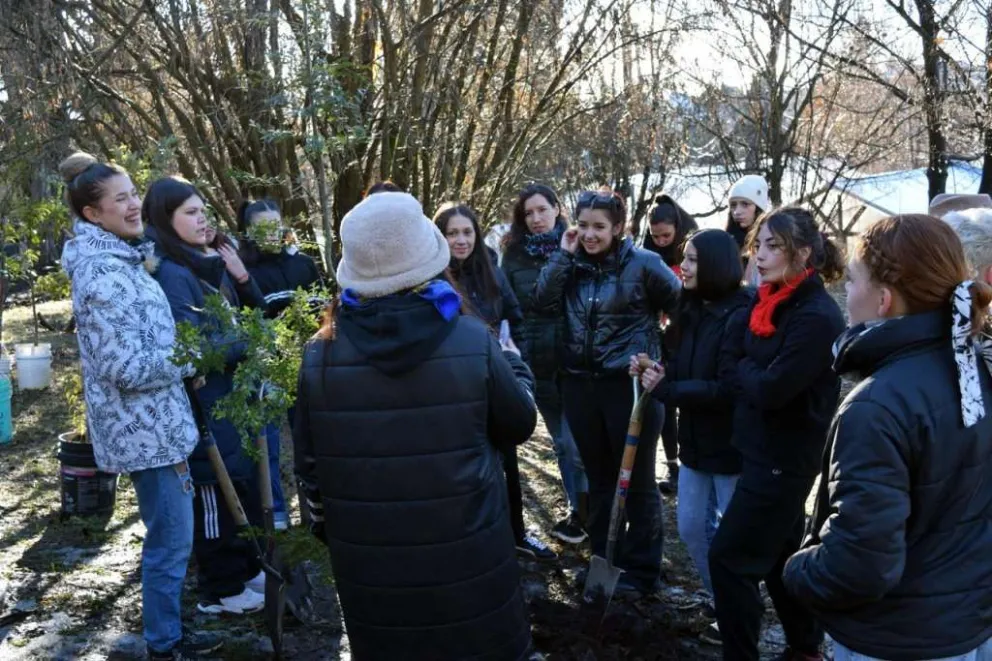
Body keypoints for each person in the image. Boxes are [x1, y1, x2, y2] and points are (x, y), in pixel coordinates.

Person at [294, 191, 539, 660]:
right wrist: (516, 366)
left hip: (371, 566)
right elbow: (519, 423)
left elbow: (308, 468)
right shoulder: (471, 338)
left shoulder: (319, 355)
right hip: (469, 552)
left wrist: (330, 527)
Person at [783, 214, 992, 661]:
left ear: (883, 299)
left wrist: (797, 571)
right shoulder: (977, 368)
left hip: (898, 639)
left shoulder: (878, 406)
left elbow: (861, 564)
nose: (846, 293)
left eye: (852, 280)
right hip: (967, 628)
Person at [59, 153, 222, 659]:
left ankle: (167, 633)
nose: (134, 206)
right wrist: (191, 357)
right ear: (93, 214)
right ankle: (164, 646)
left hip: (160, 423)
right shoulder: (102, 275)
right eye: (121, 200)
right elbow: (125, 368)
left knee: (173, 539)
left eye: (134, 194)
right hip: (144, 431)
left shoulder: (123, 259)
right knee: (170, 542)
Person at [707, 207, 845, 661]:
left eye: (773, 246)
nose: (759, 256)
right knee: (781, 559)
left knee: (729, 561)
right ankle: (806, 649)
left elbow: (771, 389)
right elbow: (730, 360)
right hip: (759, 450)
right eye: (758, 245)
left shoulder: (817, 316)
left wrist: (748, 370)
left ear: (802, 253)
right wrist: (751, 370)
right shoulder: (766, 299)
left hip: (784, 459)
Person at [533, 190, 681, 596]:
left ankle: (644, 571)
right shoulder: (570, 263)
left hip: (629, 388)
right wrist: (563, 255)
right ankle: (604, 558)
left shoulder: (645, 264)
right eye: (582, 225)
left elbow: (683, 310)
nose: (589, 234)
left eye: (599, 227)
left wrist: (662, 361)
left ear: (619, 228)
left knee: (638, 482)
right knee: (598, 479)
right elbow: (542, 301)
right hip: (579, 384)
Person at [143, 176, 267, 617]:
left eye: (203, 211)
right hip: (202, 406)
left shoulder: (201, 263)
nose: (202, 220)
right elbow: (192, 349)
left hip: (227, 398)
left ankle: (246, 568)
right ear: (165, 219)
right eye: (190, 213)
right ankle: (220, 586)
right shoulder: (173, 275)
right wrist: (247, 340)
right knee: (212, 490)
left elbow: (236, 319)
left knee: (238, 482)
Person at [630, 228, 750, 607]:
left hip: (732, 447)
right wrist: (655, 368)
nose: (683, 266)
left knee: (736, 538)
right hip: (695, 443)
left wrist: (667, 389)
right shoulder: (689, 307)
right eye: (685, 257)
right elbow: (680, 367)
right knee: (692, 529)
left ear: (717, 264)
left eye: (693, 260)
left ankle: (738, 608)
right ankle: (721, 599)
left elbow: (728, 388)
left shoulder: (741, 315)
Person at [434, 202, 555, 561]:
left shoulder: (491, 270)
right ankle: (474, 541)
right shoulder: (432, 280)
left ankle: (517, 533)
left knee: (508, 461)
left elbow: (515, 319)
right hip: (458, 387)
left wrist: (517, 360)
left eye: (467, 232)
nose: (461, 240)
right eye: (452, 233)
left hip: (497, 379)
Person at [501, 184, 589, 545]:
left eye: (542, 209)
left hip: (577, 362)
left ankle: (593, 509)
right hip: (539, 364)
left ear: (557, 208)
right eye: (529, 213)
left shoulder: (580, 245)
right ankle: (578, 511)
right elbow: (511, 311)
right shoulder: (513, 255)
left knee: (577, 444)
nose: (536, 218)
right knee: (562, 445)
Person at [237, 199, 323, 530]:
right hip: (267, 368)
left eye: (275, 225)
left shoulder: (303, 263)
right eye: (262, 227)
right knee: (268, 443)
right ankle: (276, 515)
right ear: (249, 231)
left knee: (311, 440)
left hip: (308, 363)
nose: (271, 233)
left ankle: (316, 510)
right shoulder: (245, 272)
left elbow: (323, 309)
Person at [641, 193, 699, 494]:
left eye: (667, 235)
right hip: (659, 337)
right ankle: (672, 464)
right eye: (656, 236)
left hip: (687, 334)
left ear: (678, 228)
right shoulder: (646, 256)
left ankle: (690, 463)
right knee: (663, 401)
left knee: (687, 399)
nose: (662, 241)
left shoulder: (692, 250)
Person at [725, 174, 769, 286]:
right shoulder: (726, 243)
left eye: (745, 204)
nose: (737, 212)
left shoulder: (771, 243)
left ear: (758, 207)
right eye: (733, 205)